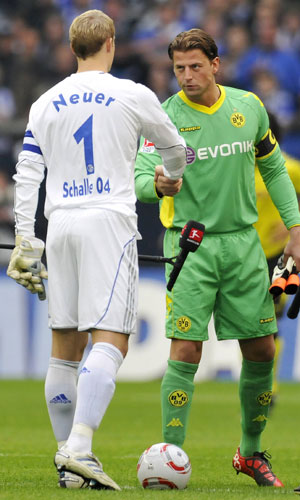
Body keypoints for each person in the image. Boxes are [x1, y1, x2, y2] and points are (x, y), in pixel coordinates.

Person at [6, 9, 187, 491]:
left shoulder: (45, 102)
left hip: (59, 222)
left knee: (64, 346)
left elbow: (27, 175)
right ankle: (80, 449)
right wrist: (171, 178)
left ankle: (68, 463)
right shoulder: (132, 94)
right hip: (108, 220)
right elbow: (174, 147)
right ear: (109, 42)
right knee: (111, 339)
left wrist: (27, 240)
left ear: (72, 48)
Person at [135, 28, 300, 488]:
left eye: (195, 66)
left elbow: (273, 167)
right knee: (186, 349)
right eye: (179, 69)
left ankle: (250, 453)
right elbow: (142, 176)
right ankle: (171, 455)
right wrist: (157, 186)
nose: (187, 77)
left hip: (244, 246)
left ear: (216, 64)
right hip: (189, 246)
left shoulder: (248, 107)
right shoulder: (164, 116)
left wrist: (296, 231)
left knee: (263, 349)